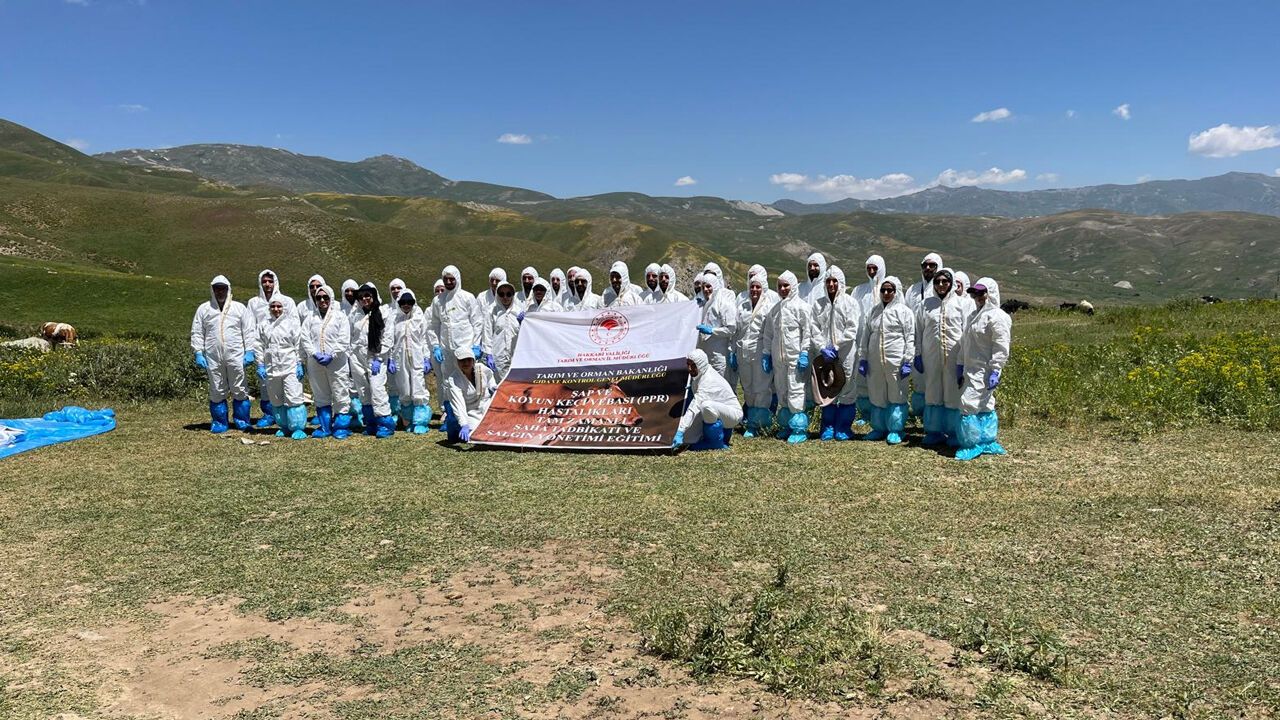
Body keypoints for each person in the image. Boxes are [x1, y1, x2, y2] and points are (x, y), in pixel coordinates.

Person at [955, 277, 1011, 461]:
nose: (978, 297)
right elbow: (965, 343)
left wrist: (996, 370)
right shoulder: (973, 316)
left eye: (982, 293)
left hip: (985, 371)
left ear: (991, 293)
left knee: (968, 404)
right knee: (985, 405)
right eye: (975, 293)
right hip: (970, 369)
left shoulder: (998, 317)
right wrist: (960, 364)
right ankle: (986, 441)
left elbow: (1001, 346)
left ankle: (971, 444)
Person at [191, 275, 256, 433]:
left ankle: (242, 421)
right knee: (217, 388)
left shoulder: (239, 308)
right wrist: (198, 352)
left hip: (236, 355)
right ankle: (220, 422)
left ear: (228, 289)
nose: (220, 292)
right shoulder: (204, 309)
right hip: (213, 357)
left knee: (239, 388)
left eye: (223, 288)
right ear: (212, 290)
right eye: (217, 288)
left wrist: (250, 351)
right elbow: (197, 332)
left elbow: (248, 330)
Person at [858, 276, 915, 444]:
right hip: (875, 362)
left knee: (896, 394)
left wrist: (908, 361)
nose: (886, 293)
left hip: (896, 362)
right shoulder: (873, 312)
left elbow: (910, 337)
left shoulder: (904, 312)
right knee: (877, 393)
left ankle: (896, 429)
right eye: (883, 290)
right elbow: (865, 337)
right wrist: (863, 358)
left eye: (890, 290)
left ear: (896, 292)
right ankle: (879, 427)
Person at [916, 269, 969, 447]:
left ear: (951, 283)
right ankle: (934, 431)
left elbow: (966, 333)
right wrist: (917, 354)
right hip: (931, 356)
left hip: (954, 357)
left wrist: (964, 359)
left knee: (952, 393)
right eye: (937, 281)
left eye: (944, 281)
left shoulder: (961, 304)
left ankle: (953, 433)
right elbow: (918, 331)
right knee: (932, 392)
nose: (940, 285)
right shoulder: (925, 304)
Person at [760, 270, 815, 444]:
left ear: (793, 286)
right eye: (780, 286)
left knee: (796, 390)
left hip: (795, 359)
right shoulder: (775, 310)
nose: (783, 289)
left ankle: (799, 428)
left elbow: (808, 332)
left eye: (786, 286)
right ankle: (786, 425)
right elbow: (769, 334)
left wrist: (804, 352)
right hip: (779, 359)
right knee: (782, 390)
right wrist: (766, 353)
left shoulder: (802, 307)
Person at [811, 266, 862, 440]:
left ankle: (843, 427)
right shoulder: (819, 304)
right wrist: (822, 347)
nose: (831, 284)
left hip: (846, 353)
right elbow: (814, 328)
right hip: (826, 355)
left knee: (847, 387)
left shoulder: (850, 303)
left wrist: (837, 346)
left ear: (841, 283)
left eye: (835, 281)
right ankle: (828, 426)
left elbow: (852, 328)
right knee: (828, 387)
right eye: (828, 281)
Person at [246, 270, 297, 429]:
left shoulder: (287, 301)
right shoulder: (254, 303)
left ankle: (292, 417)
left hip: (285, 349)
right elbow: (250, 327)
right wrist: (251, 350)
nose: (267, 284)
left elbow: (295, 324)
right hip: (265, 348)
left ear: (276, 282)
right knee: (266, 385)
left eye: (270, 281)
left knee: (289, 384)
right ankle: (270, 414)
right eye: (264, 281)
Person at [300, 284, 352, 439]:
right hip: (315, 363)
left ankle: (341, 427)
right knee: (320, 394)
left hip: (337, 363)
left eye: (325, 297)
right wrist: (313, 353)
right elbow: (304, 338)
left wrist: (332, 354)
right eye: (319, 297)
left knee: (340, 392)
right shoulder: (310, 318)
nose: (322, 300)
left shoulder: (340, 317)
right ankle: (325, 427)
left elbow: (344, 339)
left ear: (331, 298)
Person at [256, 298, 308, 440]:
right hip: (271, 368)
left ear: (284, 307)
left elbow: (299, 345)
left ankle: (297, 427)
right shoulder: (264, 325)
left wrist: (300, 363)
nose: (276, 309)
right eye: (273, 306)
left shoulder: (292, 324)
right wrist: (260, 364)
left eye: (279, 306)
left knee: (293, 396)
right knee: (276, 398)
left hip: (290, 366)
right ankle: (284, 425)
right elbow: (258, 345)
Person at [735, 270, 778, 437]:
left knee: (761, 388)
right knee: (747, 388)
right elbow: (737, 331)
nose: (754, 290)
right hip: (743, 352)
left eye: (758, 287)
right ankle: (751, 423)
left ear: (763, 288)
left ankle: (760, 424)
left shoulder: (769, 307)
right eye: (752, 286)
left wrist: (767, 353)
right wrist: (734, 351)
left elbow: (770, 333)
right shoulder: (743, 306)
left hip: (760, 351)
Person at [350, 283, 396, 438]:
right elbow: (351, 336)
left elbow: (388, 337)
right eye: (361, 297)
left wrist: (380, 357)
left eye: (367, 296)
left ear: (374, 296)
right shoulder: (355, 315)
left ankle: (385, 424)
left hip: (376, 357)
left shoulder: (383, 313)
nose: (364, 299)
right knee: (363, 390)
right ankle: (371, 423)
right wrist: (351, 356)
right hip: (357, 357)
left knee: (377, 390)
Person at [673, 349, 742, 450]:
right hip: (720, 412)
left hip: (733, 415)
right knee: (688, 439)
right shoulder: (702, 373)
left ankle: (715, 443)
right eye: (688, 364)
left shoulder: (708, 380)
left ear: (700, 364)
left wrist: (680, 431)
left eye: (693, 365)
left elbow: (694, 407)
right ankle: (718, 436)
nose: (689, 368)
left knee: (706, 406)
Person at [389, 289, 433, 434]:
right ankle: (408, 419)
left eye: (409, 302)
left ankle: (420, 422)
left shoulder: (419, 318)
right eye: (403, 302)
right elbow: (390, 341)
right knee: (405, 390)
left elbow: (424, 339)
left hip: (417, 359)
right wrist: (391, 359)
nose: (406, 305)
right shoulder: (394, 320)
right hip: (400, 360)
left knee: (418, 388)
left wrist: (426, 358)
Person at [850, 254, 887, 424]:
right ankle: (865, 413)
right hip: (862, 340)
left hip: (883, 342)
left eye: (875, 268)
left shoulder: (889, 289)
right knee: (862, 377)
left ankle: (882, 411)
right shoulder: (859, 291)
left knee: (882, 377)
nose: (872, 272)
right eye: (869, 268)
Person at [443, 346, 497, 443]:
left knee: (497, 426)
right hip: (469, 411)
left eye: (469, 359)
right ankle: (455, 426)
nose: (466, 363)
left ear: (473, 360)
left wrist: (492, 386)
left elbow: (490, 377)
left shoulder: (481, 368)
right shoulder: (454, 380)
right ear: (456, 362)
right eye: (462, 360)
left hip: (485, 405)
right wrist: (464, 424)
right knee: (476, 432)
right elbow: (458, 404)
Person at [696, 271, 737, 378]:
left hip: (719, 354)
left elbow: (731, 329)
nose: (706, 290)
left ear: (715, 286)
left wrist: (712, 331)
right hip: (705, 353)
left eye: (708, 286)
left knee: (719, 383)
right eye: (703, 287)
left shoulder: (724, 303)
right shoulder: (704, 304)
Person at [487, 279, 521, 382]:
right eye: (501, 294)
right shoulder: (492, 312)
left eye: (508, 294)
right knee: (500, 384)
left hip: (516, 356)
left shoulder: (519, 311)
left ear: (513, 295)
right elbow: (487, 334)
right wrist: (488, 354)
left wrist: (524, 322)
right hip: (498, 356)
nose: (505, 297)